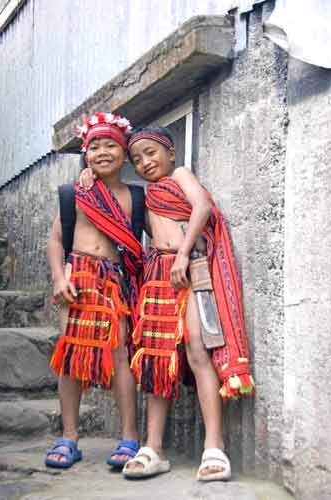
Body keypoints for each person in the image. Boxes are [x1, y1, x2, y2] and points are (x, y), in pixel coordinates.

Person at [120, 127, 254, 481]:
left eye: (151, 153)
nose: (145, 162)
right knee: (156, 358)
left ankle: (214, 446)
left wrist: (181, 254)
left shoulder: (180, 175)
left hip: (189, 267)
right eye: (136, 159)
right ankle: (154, 448)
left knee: (198, 350)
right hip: (158, 273)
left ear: (171, 153)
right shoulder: (146, 196)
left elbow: (203, 207)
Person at [45, 112, 145, 469]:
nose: (103, 152)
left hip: (116, 283)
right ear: (86, 154)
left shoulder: (137, 196)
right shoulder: (76, 193)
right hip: (79, 279)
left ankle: (129, 436)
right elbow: (56, 240)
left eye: (111, 145)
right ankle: (69, 437)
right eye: (95, 146)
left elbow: (156, 233)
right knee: (71, 358)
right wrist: (60, 278)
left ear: (124, 152)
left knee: (120, 356)